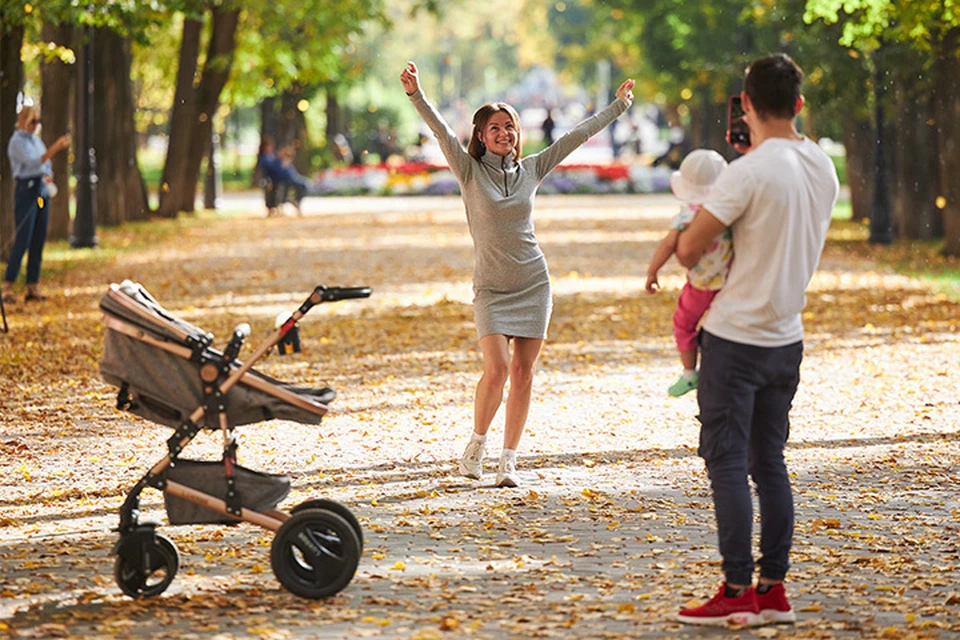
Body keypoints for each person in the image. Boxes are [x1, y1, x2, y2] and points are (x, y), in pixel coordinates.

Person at [400, 61, 634, 488]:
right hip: (490, 287)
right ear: (480, 135)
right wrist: (416, 94)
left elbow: (576, 137)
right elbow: (438, 130)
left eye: (510, 127)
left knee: (524, 373)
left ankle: (508, 461)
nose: (504, 134)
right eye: (495, 128)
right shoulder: (467, 170)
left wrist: (618, 106)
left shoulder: (531, 170)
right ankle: (477, 445)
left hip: (532, 282)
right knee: (497, 369)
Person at [672, 53, 839, 627]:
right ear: (798, 104)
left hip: (734, 338)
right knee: (770, 461)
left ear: (745, 105)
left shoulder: (744, 173)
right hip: (787, 338)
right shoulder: (821, 166)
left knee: (725, 461)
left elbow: (691, 249)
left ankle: (736, 588)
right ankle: (773, 590)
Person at [645, 149, 730, 397]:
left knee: (683, 323)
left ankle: (689, 372)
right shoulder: (728, 211)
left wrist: (653, 272)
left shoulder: (688, 214)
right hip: (730, 281)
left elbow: (669, 244)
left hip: (701, 285)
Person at [3, 106, 70, 303]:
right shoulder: (17, 142)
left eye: (37, 121)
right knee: (23, 238)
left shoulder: (36, 141)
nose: (36, 125)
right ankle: (7, 285)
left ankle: (32, 285)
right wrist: (56, 147)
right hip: (26, 191)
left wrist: (48, 176)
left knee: (38, 238)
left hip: (41, 192)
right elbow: (34, 162)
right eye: (33, 121)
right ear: (23, 120)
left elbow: (44, 165)